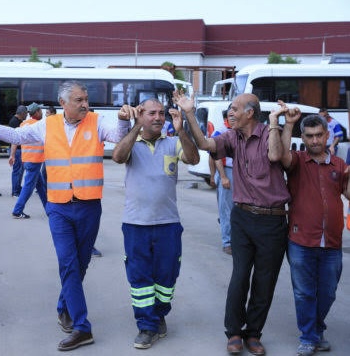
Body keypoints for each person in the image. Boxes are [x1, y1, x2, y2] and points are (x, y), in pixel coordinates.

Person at [0, 80, 132, 351]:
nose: (85, 104)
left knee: (81, 263)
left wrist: (123, 120)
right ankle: (82, 326)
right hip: (59, 206)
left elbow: (117, 136)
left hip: (89, 206)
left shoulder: (96, 122)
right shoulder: (47, 125)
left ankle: (64, 306)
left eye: (86, 98)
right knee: (68, 263)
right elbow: (15, 136)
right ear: (63, 103)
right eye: (79, 99)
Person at [178, 91, 290, 356]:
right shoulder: (232, 137)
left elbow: (275, 156)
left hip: (273, 220)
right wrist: (190, 113)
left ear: (250, 112)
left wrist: (275, 122)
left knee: (265, 281)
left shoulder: (268, 133)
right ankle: (234, 332)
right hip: (242, 217)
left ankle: (254, 334)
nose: (230, 112)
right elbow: (205, 145)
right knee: (240, 277)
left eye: (235, 108)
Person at [111, 98, 199, 349]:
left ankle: (159, 315)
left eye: (161, 113)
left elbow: (192, 159)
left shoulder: (172, 142)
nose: (158, 117)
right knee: (140, 277)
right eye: (152, 113)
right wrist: (135, 127)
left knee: (166, 276)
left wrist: (181, 130)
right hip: (135, 224)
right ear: (140, 115)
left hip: (168, 224)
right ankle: (147, 326)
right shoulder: (131, 142)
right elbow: (118, 156)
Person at [278, 108, 350, 356]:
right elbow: (282, 157)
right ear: (304, 138)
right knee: (304, 292)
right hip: (300, 240)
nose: (315, 140)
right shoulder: (297, 160)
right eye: (309, 136)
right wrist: (288, 125)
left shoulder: (339, 165)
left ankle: (317, 328)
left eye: (319, 135)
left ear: (327, 134)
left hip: (331, 242)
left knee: (328, 292)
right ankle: (309, 337)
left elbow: (348, 194)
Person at [11, 102, 47, 219]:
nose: (42, 112)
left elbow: (16, 140)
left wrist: (12, 155)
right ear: (36, 112)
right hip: (35, 160)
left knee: (40, 186)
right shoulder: (39, 125)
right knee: (28, 187)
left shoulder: (23, 124)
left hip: (27, 159)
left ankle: (49, 209)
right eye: (40, 111)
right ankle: (17, 210)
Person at [211, 106, 234, 255]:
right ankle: (227, 242)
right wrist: (222, 176)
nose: (234, 117)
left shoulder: (242, 130)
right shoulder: (220, 131)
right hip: (227, 172)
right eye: (231, 114)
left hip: (240, 173)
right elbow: (215, 156)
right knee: (226, 209)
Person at [8, 105, 27, 197]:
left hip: (18, 150)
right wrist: (13, 154)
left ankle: (17, 188)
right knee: (17, 171)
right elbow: (14, 140)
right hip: (17, 150)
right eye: (26, 113)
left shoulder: (18, 121)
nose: (27, 115)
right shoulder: (15, 122)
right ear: (22, 113)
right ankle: (15, 191)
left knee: (19, 171)